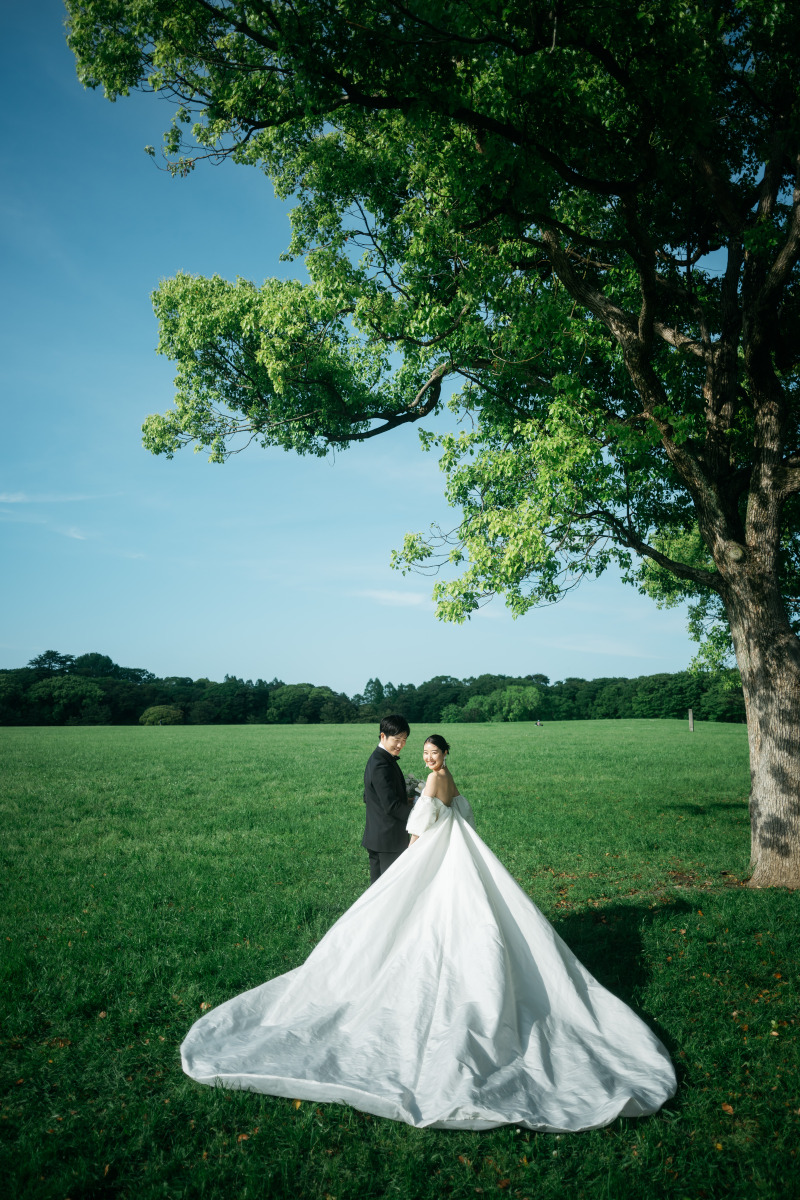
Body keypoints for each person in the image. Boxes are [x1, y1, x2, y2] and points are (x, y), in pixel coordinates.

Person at [181, 734, 676, 1131]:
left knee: (418, 917)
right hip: (458, 849)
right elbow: (465, 814)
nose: (427, 757)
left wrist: (414, 843)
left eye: (432, 753)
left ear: (444, 755)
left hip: (432, 852)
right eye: (423, 752)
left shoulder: (435, 781)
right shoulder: (449, 779)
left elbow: (419, 827)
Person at [362, 714, 414, 884]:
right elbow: (392, 807)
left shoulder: (379, 758)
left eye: (404, 740)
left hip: (379, 837)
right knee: (390, 891)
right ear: (383, 736)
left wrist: (406, 799)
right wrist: (422, 813)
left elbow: (368, 796)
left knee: (378, 892)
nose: (400, 745)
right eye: (397, 739)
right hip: (388, 841)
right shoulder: (381, 764)